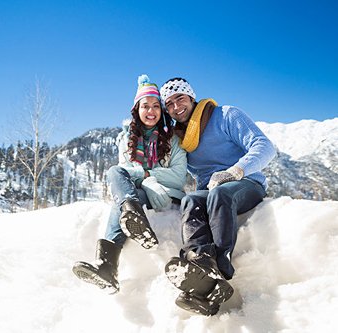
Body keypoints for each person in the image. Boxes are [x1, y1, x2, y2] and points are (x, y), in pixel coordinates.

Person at [159, 77, 276, 316]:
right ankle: (199, 264)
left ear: (191, 97)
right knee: (191, 201)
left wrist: (235, 171)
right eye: (169, 104)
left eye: (179, 98)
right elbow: (173, 170)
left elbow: (265, 146)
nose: (175, 106)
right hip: (209, 191)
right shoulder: (182, 139)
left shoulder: (226, 115)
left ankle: (221, 268)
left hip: (246, 183)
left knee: (220, 194)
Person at [72, 75, 187, 293]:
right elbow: (122, 173)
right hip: (138, 195)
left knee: (123, 198)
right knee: (115, 173)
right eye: (146, 106)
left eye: (156, 106)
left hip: (166, 195)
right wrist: (142, 178)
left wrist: (145, 174)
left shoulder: (173, 140)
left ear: (162, 112)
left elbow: (178, 177)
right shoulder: (127, 139)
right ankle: (111, 258)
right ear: (137, 109)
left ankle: (108, 265)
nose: (151, 111)